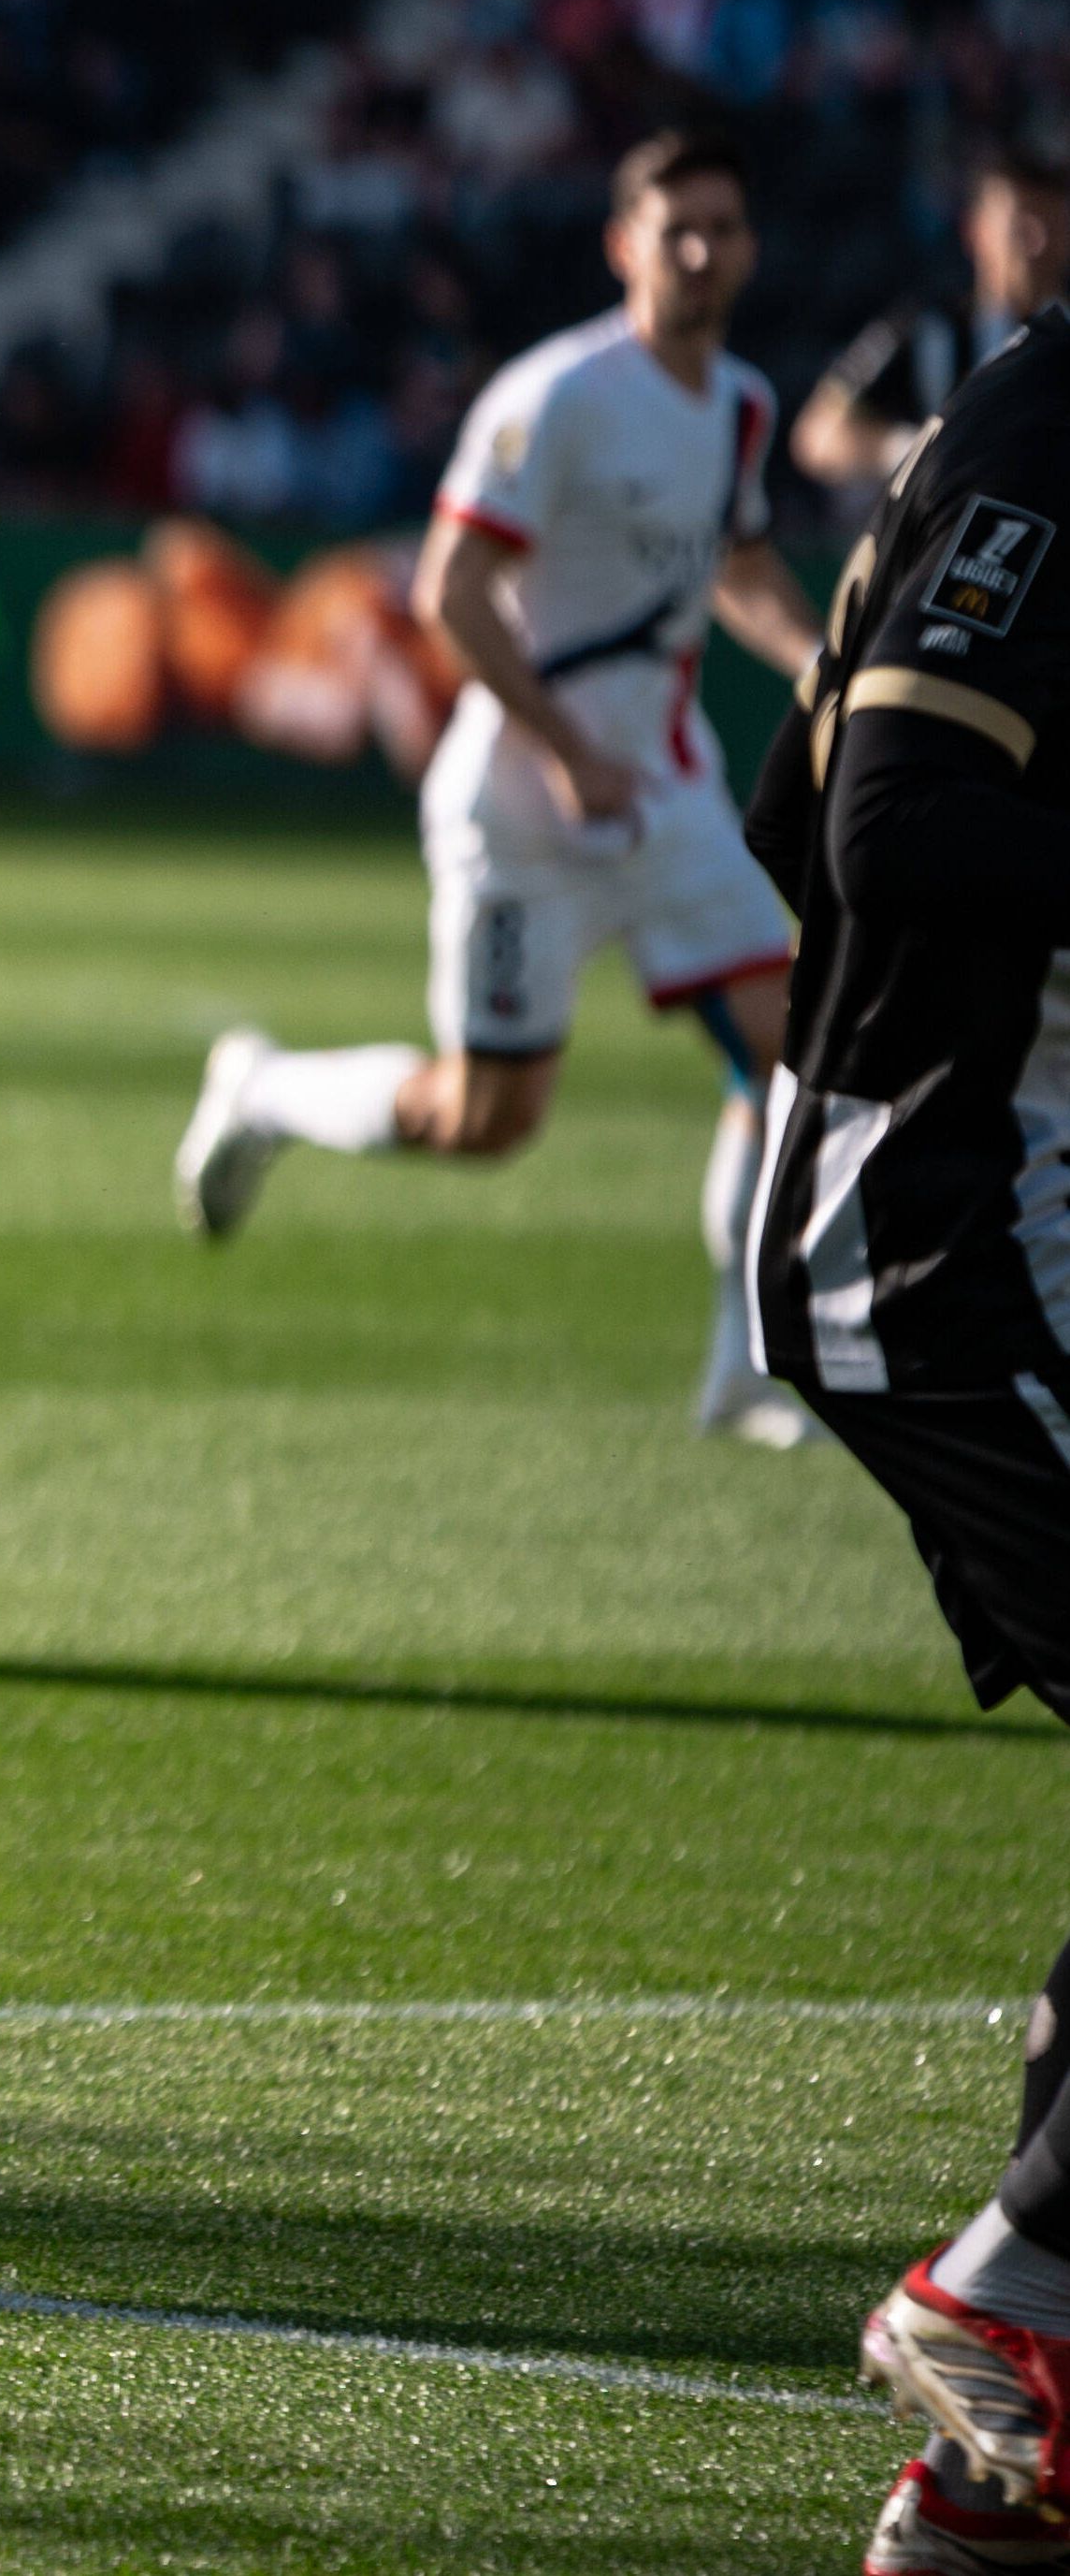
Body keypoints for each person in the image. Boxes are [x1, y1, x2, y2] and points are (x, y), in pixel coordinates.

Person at [173, 131, 822, 1445]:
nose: (701, 252)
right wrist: (564, 746)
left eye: (722, 227)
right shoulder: (555, 396)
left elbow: (736, 558)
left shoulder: (740, 402)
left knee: (794, 1046)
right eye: (674, 228)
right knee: (484, 1120)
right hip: (520, 804)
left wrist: (816, 660)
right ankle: (261, 1090)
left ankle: (744, 1370)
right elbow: (449, 592)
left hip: (663, 787)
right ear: (621, 245)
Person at [737, 306, 1070, 2571]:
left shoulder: (1010, 413)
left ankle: (983, 2478)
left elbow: (785, 805)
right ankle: (994, 2285)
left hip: (973, 1197)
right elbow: (888, 810)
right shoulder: (1062, 428)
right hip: (946, 1230)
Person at [795, 149, 1070, 494]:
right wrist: (916, 450)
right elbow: (818, 433)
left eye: (1055, 226)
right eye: (1022, 226)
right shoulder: (926, 330)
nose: (1039, 244)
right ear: (976, 232)